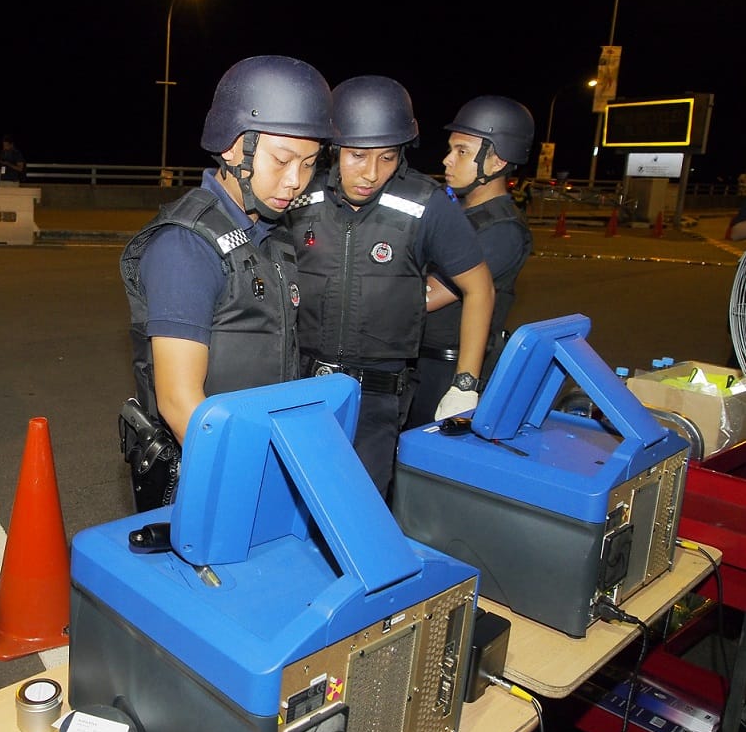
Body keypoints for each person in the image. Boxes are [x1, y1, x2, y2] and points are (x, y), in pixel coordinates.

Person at [119, 55, 331, 510]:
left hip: (262, 459)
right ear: (234, 146)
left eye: (310, 164)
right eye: (282, 160)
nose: (295, 181)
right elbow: (179, 402)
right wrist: (246, 479)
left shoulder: (269, 236)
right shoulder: (187, 246)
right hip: (213, 474)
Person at [284, 76, 493, 499]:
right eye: (358, 156)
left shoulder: (425, 204)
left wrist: (465, 383)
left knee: (360, 516)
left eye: (387, 157)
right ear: (334, 149)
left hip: (376, 403)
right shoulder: (299, 195)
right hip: (300, 388)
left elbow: (480, 288)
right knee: (293, 510)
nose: (371, 173)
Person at [406, 96, 535, 428]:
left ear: (496, 161)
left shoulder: (501, 229)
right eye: (451, 149)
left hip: (446, 373)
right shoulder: (461, 214)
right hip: (422, 364)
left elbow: (426, 296)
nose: (448, 160)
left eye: (462, 151)